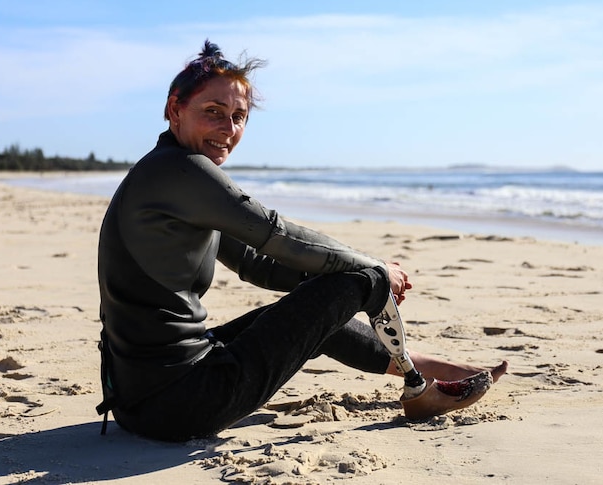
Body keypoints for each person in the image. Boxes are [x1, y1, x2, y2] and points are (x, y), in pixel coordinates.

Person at [96, 40, 506, 442]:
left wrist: (333, 294)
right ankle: (420, 387)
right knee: (354, 278)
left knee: (314, 303)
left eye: (239, 117)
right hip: (182, 401)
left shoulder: (164, 173)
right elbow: (276, 234)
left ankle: (421, 370)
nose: (229, 129)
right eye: (213, 112)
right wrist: (373, 272)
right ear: (175, 109)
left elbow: (262, 264)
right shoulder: (182, 171)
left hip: (138, 400)